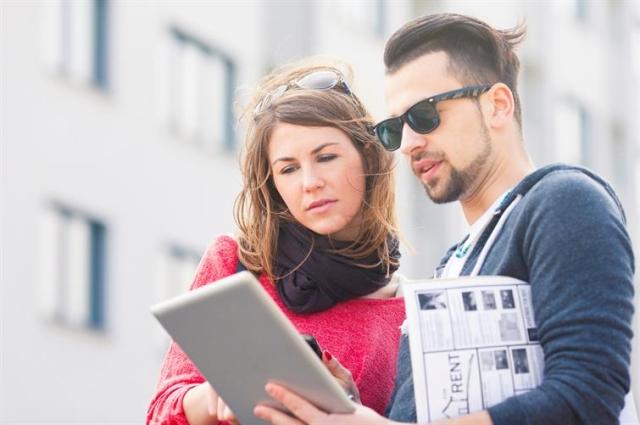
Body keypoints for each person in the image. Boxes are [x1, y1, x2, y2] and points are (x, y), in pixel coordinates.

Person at [254, 13, 635, 425]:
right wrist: (349, 402)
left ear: (497, 105)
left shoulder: (562, 201)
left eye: (425, 116)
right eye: (397, 127)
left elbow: (586, 400)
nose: (410, 144)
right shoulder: (454, 263)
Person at [146, 61, 406, 425]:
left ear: (368, 157)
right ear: (274, 186)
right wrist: (213, 395)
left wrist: (350, 410)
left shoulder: (406, 309)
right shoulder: (236, 262)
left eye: (326, 157)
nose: (310, 182)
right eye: (288, 169)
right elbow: (159, 413)